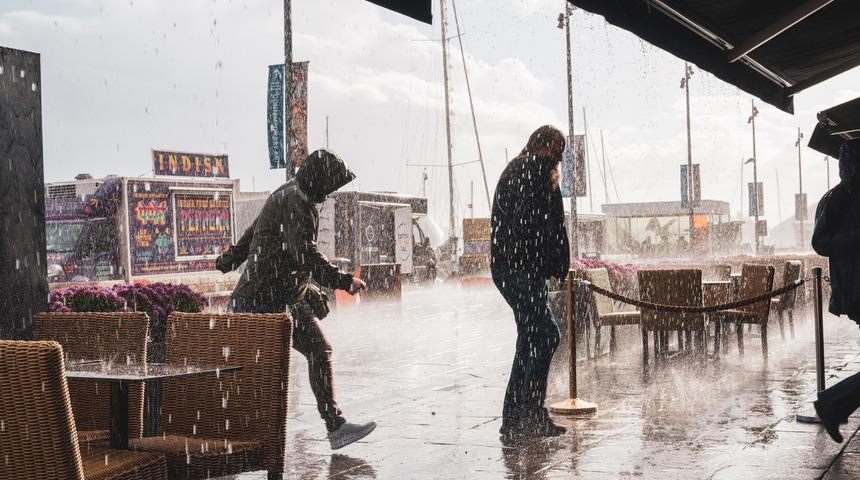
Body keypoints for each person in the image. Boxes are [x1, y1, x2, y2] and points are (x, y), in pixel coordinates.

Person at [221, 149, 376, 450]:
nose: (328, 195)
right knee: (271, 366)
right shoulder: (298, 201)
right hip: (264, 299)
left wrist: (230, 258)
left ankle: (332, 427)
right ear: (319, 180)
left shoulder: (285, 193)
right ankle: (237, 433)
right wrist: (344, 281)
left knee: (311, 352)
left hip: (271, 295)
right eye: (329, 187)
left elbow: (254, 233)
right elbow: (305, 254)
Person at [491, 125, 570, 442]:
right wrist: (548, 259)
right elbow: (536, 223)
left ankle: (514, 419)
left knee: (529, 340)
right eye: (558, 149)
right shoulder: (533, 169)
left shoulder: (520, 168)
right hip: (521, 269)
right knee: (547, 335)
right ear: (543, 145)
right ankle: (531, 415)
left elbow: (533, 222)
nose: (560, 157)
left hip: (514, 268)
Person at [812, 138, 860, 443]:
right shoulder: (836, 199)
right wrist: (852, 238)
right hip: (855, 289)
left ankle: (834, 403)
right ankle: (832, 403)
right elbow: (819, 242)